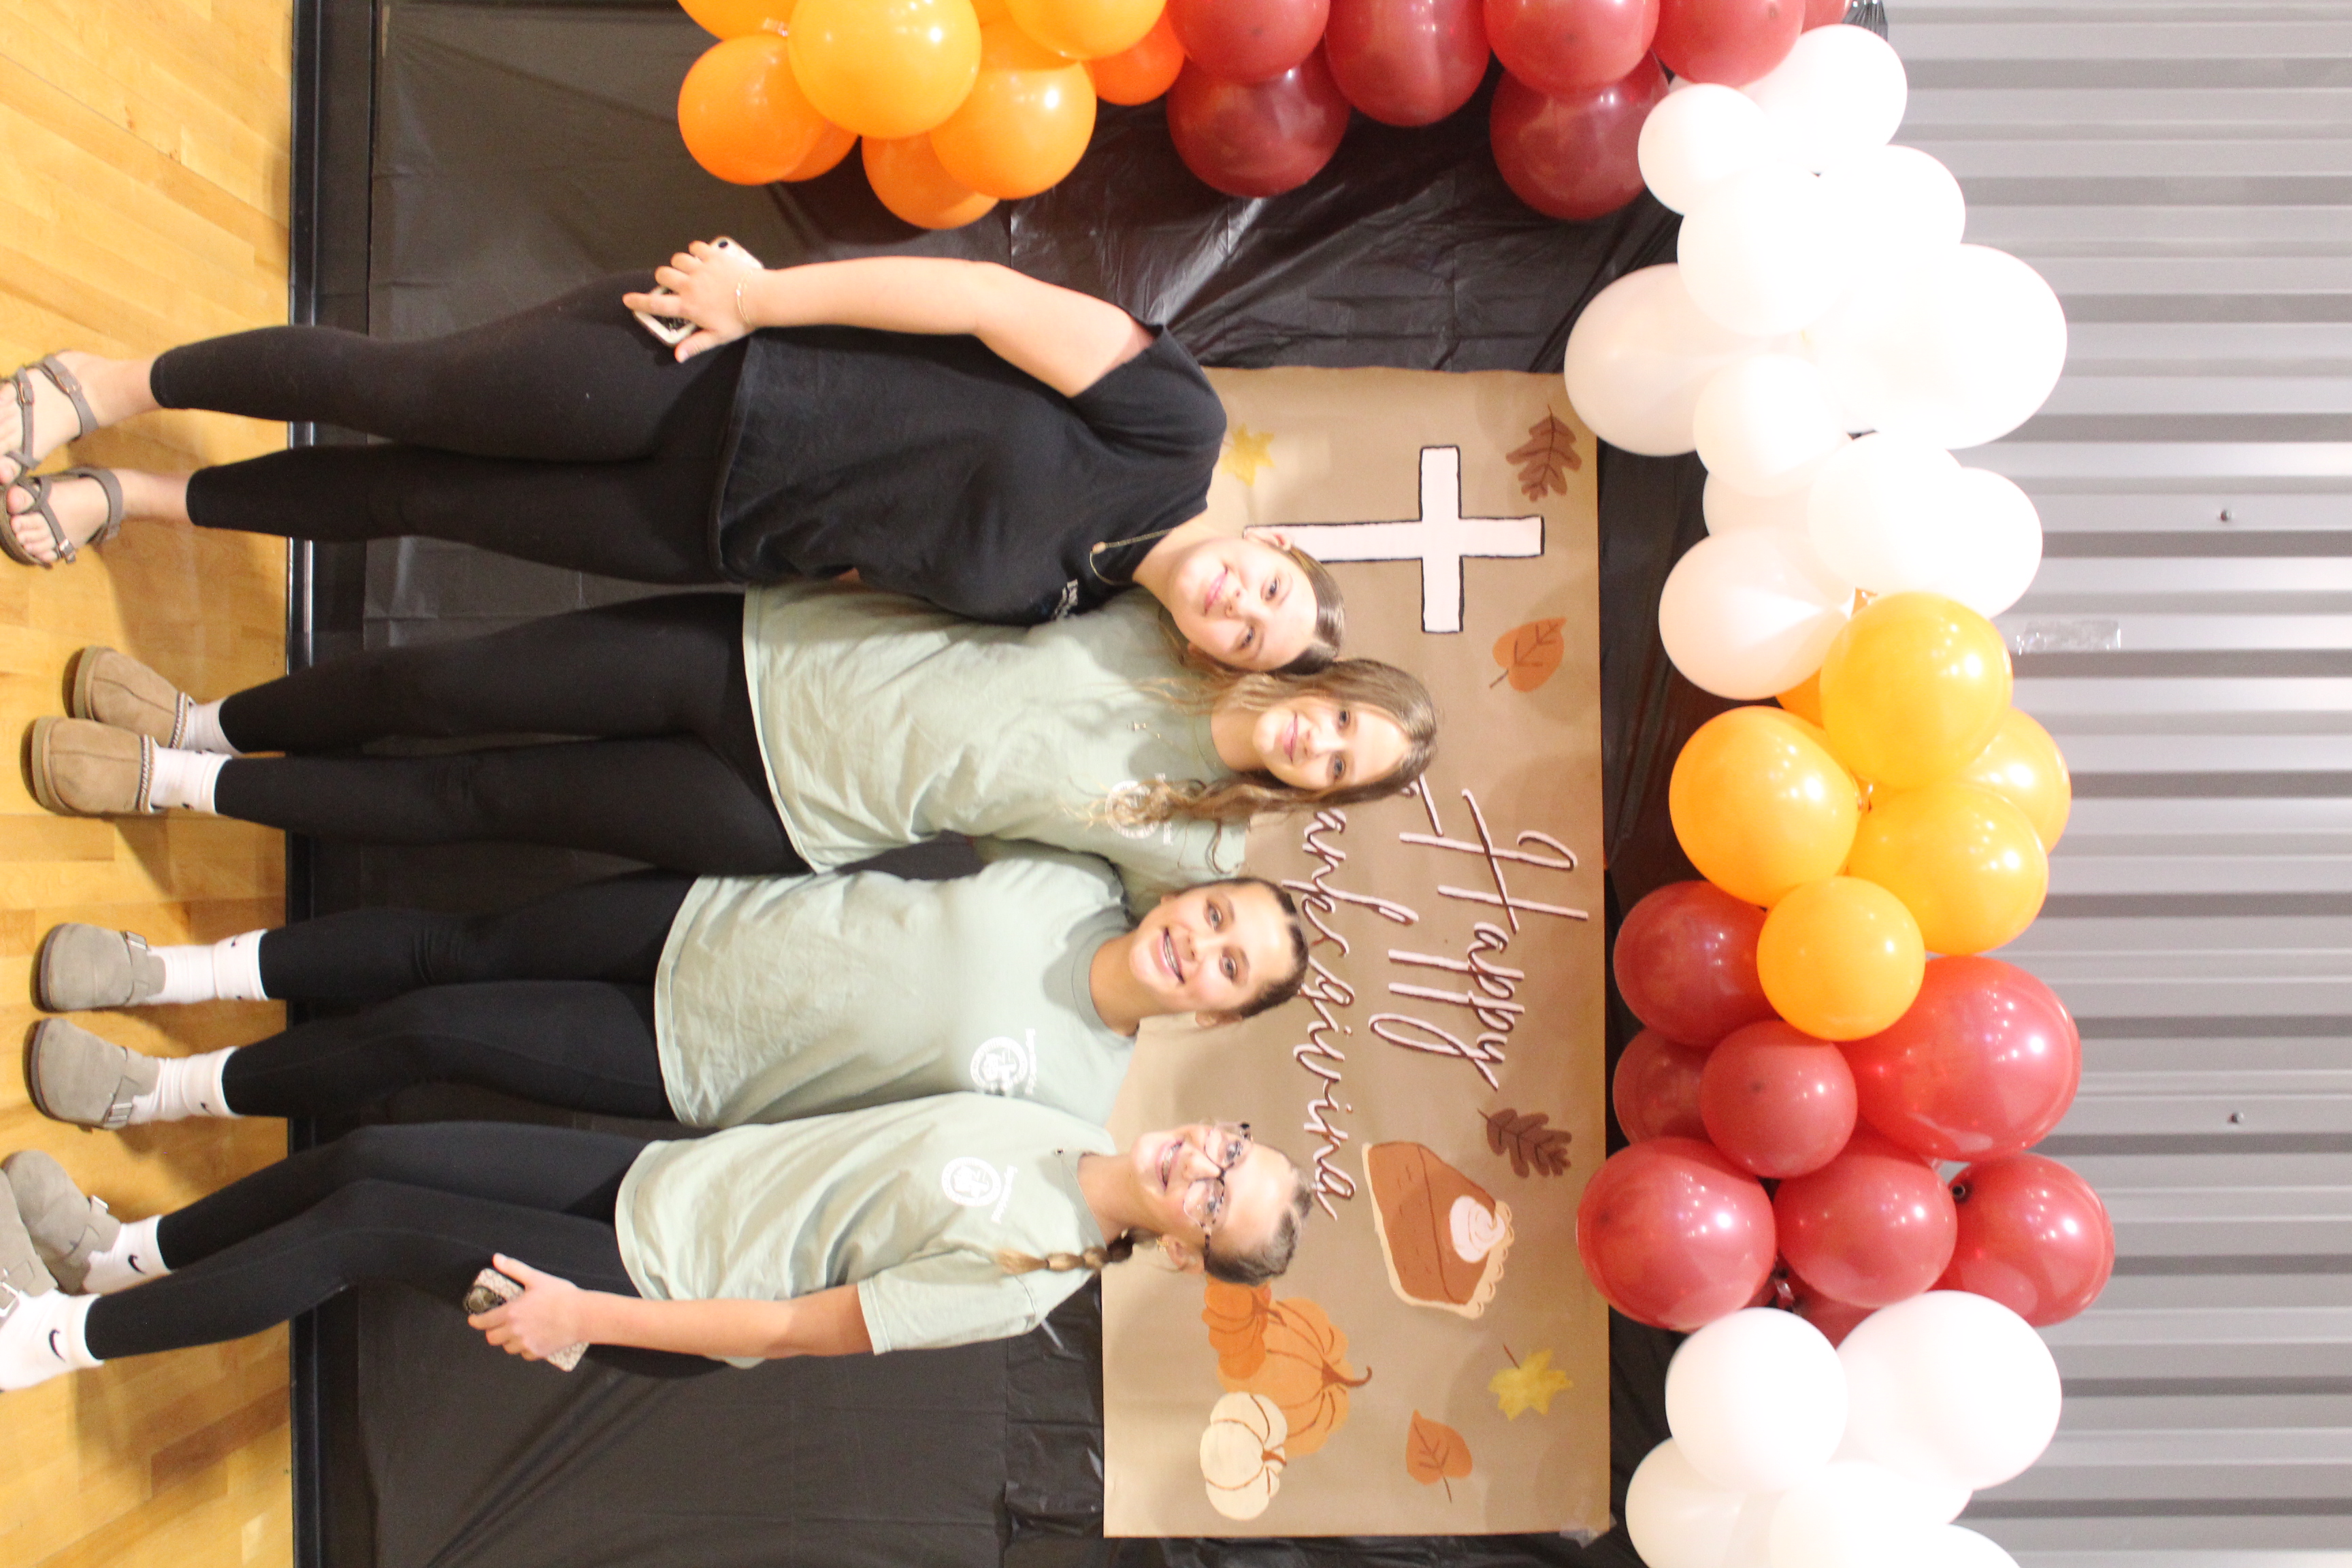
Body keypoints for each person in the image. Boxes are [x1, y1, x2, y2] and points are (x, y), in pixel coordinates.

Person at [0, 248, 1343, 672]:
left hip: (697, 529)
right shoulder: (1178, 434)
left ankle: (142, 499)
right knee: (396, 388)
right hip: (720, 369)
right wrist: (761, 300)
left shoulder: (1076, 605)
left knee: (416, 498)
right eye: (1270, 595)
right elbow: (988, 298)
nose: (1242, 610)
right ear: (1269, 550)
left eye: (1251, 643)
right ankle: (96, 386)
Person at [25, 582, 1439, 896]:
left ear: (1326, 794)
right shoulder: (1183, 615)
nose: (1318, 744)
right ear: (1335, 676)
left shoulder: (1196, 849)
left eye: (1340, 768)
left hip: (780, 816)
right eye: (1341, 720)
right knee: (453, 684)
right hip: (763, 652)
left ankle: (175, 784)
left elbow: (1151, 975)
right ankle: (206, 720)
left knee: (479, 796)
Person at [0, 1107, 1309, 1388]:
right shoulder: (1059, 1117)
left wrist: (585, 1319)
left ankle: (48, 1343)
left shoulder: (1025, 1283)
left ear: (1188, 1254)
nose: (1206, 1168)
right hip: (652, 1186)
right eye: (1232, 1154)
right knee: (363, 1157)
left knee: (359, 1231)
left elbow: (798, 1330)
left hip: (651, 1286)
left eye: (1217, 1205)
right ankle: (117, 1260)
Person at [22, 847, 1311, 1129]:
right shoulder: (1075, 875)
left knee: (429, 1031)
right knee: (449, 942)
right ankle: (174, 971)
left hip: (690, 1058)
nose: (1205, 943)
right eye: (1217, 915)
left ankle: (161, 1091)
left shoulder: (1081, 1107)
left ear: (1215, 1014)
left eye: (1232, 965)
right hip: (702, 914)